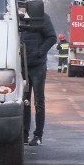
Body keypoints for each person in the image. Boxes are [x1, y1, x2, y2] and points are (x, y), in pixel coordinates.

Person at [21, 8, 57, 146]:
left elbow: (52, 37)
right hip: (21, 65)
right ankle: (23, 134)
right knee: (23, 101)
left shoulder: (41, 17)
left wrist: (39, 52)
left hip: (37, 66)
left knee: (38, 101)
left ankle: (38, 135)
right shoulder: (15, 17)